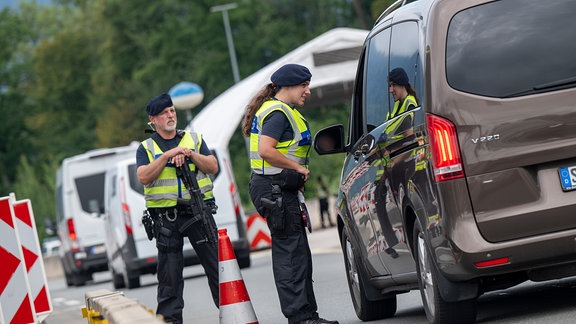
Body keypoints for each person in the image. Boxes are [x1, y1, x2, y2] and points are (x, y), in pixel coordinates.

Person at [242, 64, 338, 324]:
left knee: (299, 254)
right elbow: (266, 149)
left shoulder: (283, 111)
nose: (308, 90)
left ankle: (308, 315)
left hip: (280, 188)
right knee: (291, 256)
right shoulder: (277, 113)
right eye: (304, 85)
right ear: (288, 86)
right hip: (274, 190)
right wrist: (297, 168)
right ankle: (300, 318)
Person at [136, 93, 219, 324]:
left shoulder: (193, 139)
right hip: (167, 220)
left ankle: (234, 313)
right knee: (169, 278)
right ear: (153, 119)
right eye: (164, 113)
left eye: (172, 110)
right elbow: (143, 176)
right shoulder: (147, 147)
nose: (171, 115)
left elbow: (212, 165)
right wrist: (167, 157)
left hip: (198, 213)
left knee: (217, 268)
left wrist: (190, 154)